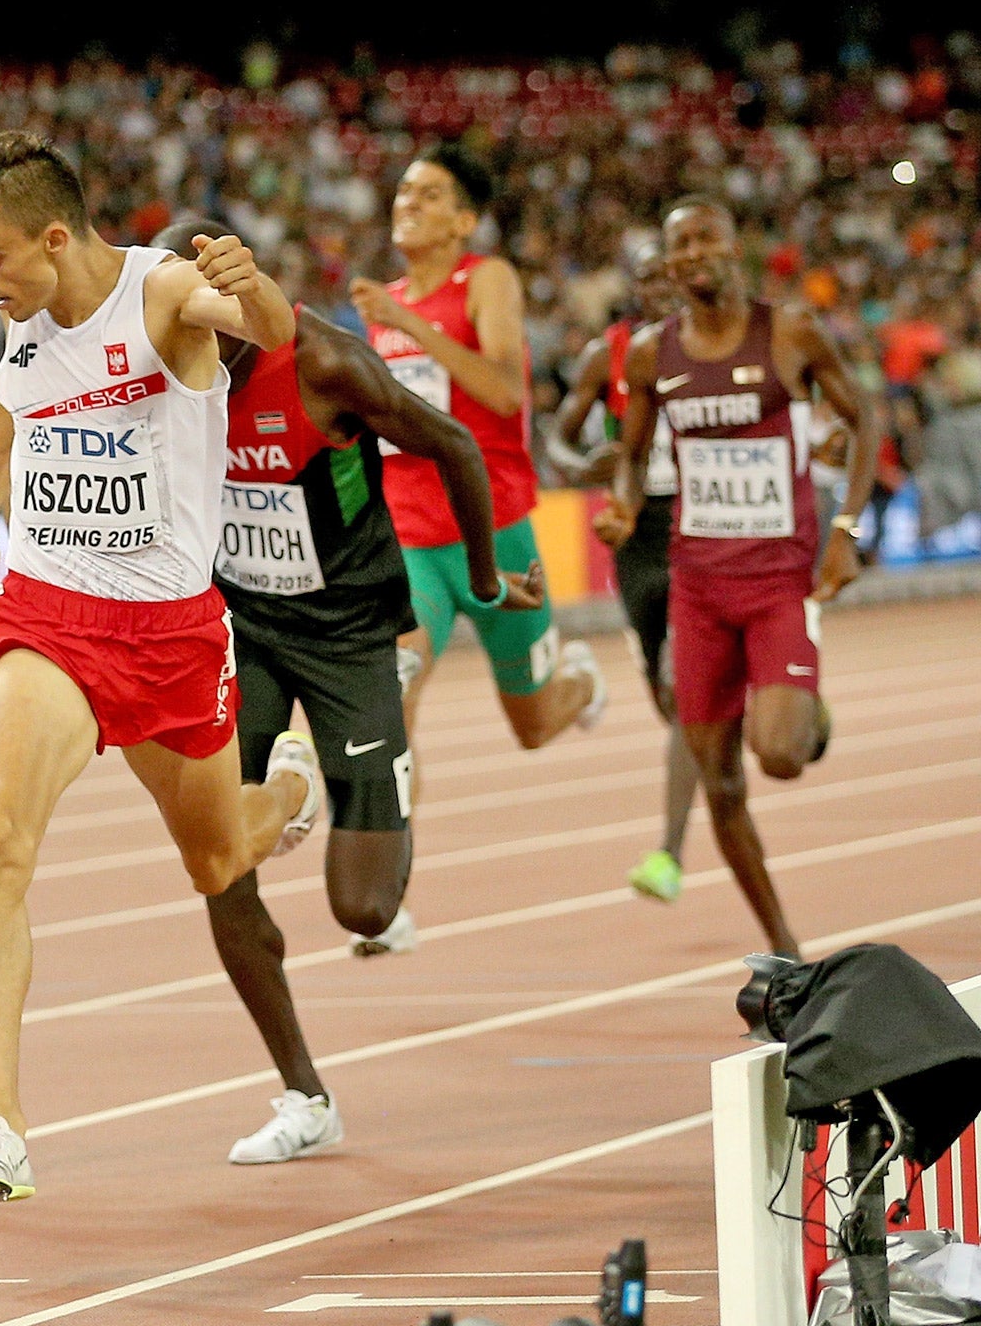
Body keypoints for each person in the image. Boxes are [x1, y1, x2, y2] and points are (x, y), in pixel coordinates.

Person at [0, 131, 316, 1207]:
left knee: (215, 863)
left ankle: (287, 785)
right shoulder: (20, 322)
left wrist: (254, 285)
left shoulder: (161, 293)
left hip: (170, 637)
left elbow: (268, 331)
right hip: (47, 616)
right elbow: (14, 418)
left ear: (53, 237)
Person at [155, 220, 544, 1163]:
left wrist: (485, 582)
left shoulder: (324, 365)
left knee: (364, 910)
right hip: (240, 634)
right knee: (216, 860)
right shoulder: (156, 377)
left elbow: (453, 445)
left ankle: (325, 769)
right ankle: (303, 1092)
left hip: (349, 636)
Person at [594, 197, 880, 959]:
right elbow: (631, 451)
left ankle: (800, 708)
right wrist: (623, 505)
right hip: (699, 589)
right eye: (679, 243)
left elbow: (866, 418)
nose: (694, 253)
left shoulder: (788, 331)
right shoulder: (653, 354)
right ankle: (783, 942)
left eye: (706, 238)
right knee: (720, 781)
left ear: (734, 246)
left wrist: (847, 531)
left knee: (779, 754)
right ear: (668, 259)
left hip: (779, 581)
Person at [351, 145, 606, 832]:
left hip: (494, 535)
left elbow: (500, 390)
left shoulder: (485, 279)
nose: (409, 203)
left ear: (464, 221)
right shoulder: (385, 305)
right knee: (390, 696)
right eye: (404, 191)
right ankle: (386, 883)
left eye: (430, 194)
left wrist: (409, 326)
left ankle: (579, 683)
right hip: (410, 541)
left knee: (534, 723)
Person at [549, 243, 699, 901]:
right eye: (649, 280)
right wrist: (583, 467)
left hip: (702, 525)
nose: (662, 290)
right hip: (636, 535)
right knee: (668, 699)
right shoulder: (606, 354)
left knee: (682, 677)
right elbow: (558, 436)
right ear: (633, 290)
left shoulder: (718, 346)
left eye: (671, 277)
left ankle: (669, 853)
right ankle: (710, 744)